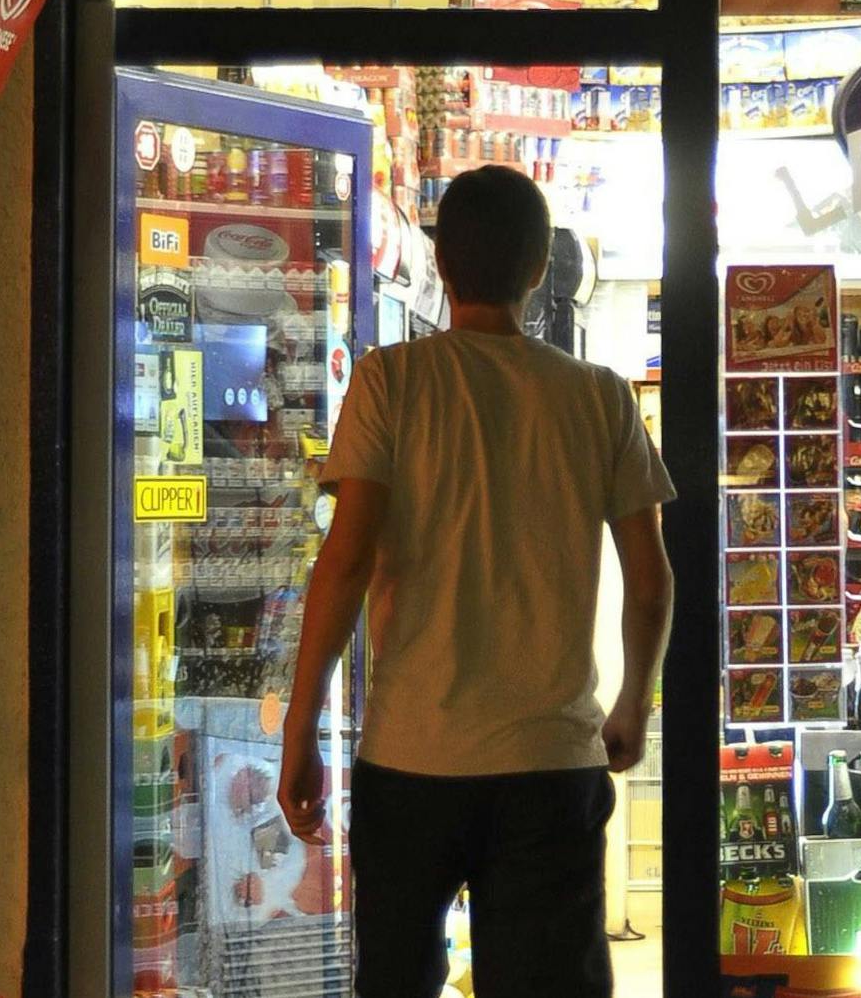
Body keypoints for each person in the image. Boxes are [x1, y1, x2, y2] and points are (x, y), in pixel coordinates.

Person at [275, 164, 675, 997]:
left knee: (397, 981)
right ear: (540, 270)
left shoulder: (391, 382)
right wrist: (635, 699)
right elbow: (649, 576)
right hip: (550, 761)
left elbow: (343, 563)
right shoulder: (599, 398)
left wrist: (301, 730)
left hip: (411, 759)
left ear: (440, 263)